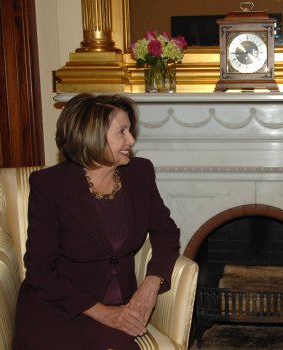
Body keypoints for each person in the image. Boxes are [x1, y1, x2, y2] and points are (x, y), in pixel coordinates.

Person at [14, 93, 180, 350]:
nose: (131, 140)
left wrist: (151, 283)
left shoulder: (139, 173)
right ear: (92, 136)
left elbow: (166, 233)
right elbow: (39, 270)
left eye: (130, 131)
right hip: (59, 305)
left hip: (119, 304)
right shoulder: (50, 185)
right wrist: (105, 313)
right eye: (122, 132)